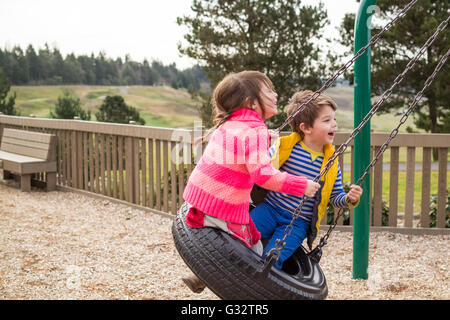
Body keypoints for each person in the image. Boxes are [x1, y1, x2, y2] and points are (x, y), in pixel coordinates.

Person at [181, 72, 320, 293]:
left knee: (246, 237)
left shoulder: (230, 123)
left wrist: (266, 138)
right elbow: (263, 176)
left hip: (198, 199)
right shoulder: (255, 130)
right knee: (253, 253)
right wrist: (303, 185)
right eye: (268, 91)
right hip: (221, 208)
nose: (275, 94)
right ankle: (208, 277)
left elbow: (238, 155)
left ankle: (202, 273)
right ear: (250, 103)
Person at [250, 90, 363, 269]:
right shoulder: (285, 148)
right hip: (269, 209)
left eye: (334, 119)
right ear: (306, 128)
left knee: (272, 258)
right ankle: (209, 271)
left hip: (297, 223)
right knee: (239, 234)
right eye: (327, 121)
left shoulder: (331, 163)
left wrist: (349, 199)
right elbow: (263, 169)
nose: (334, 124)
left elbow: (335, 197)